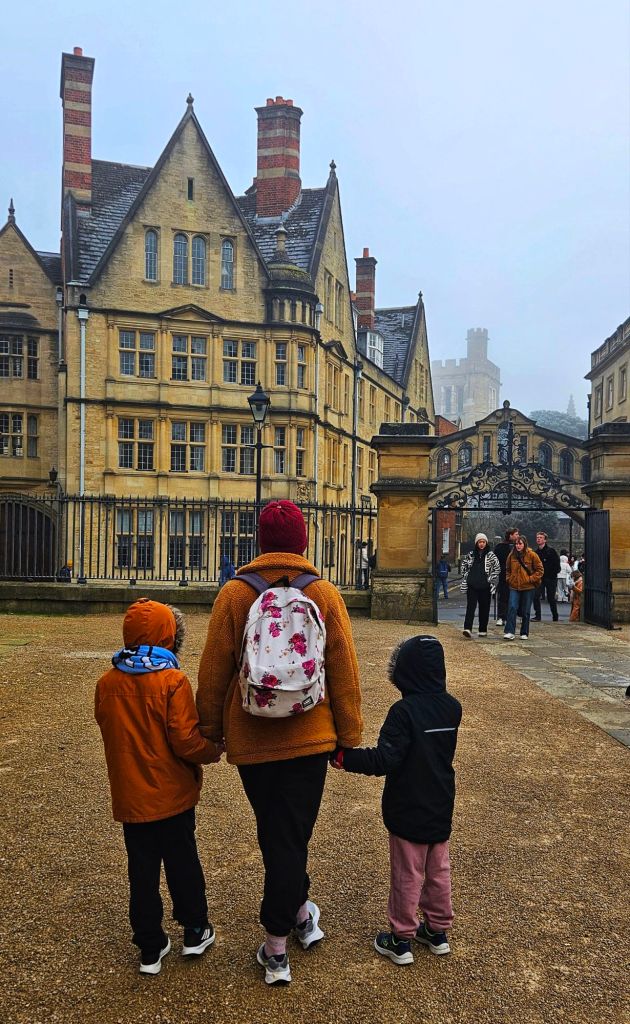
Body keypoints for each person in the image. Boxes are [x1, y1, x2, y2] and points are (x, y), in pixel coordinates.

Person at [197, 499, 363, 986]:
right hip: (311, 735)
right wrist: (349, 736)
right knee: (289, 834)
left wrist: (211, 731)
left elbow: (213, 670)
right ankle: (278, 944)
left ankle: (298, 915)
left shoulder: (234, 593)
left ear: (261, 541)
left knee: (278, 833)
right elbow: (345, 671)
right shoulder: (323, 593)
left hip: (252, 735)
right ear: (303, 542)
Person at [94, 599, 223, 975]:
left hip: (131, 795)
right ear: (169, 636)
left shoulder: (107, 683)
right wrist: (213, 750)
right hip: (173, 794)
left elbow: (107, 724)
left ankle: (150, 945)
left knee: (142, 870)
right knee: (183, 862)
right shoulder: (172, 680)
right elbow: (185, 741)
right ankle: (195, 929)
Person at [330, 636, 461, 965]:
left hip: (407, 805)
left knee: (407, 873)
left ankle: (401, 938)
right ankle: (437, 930)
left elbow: (384, 759)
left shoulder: (403, 712)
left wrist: (345, 758)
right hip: (441, 802)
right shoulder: (452, 708)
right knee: (438, 870)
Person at [459, 533, 500, 638]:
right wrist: (467, 576)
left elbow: (497, 569)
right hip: (472, 585)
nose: (482, 544)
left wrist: (490, 579)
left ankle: (482, 629)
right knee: (470, 607)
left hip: (485, 586)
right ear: (476, 543)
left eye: (483, 542)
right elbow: (463, 566)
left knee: (484, 608)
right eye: (480, 542)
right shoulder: (471, 554)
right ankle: (467, 628)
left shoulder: (491, 555)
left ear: (486, 543)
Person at [504, 536, 544, 640]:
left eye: (520, 544)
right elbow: (507, 569)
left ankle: (524, 632)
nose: (518, 546)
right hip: (514, 585)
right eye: (516, 544)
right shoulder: (511, 555)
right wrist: (509, 579)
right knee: (512, 607)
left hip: (528, 586)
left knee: (526, 610)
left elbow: (540, 570)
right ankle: (510, 631)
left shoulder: (532, 555)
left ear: (524, 544)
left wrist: (530, 579)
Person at [492, 528, 519, 625]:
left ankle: (510, 616)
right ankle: (501, 617)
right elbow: (495, 561)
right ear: (510, 535)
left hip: (515, 576)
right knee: (503, 596)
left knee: (513, 598)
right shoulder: (500, 547)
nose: (518, 536)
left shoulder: (518, 546)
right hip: (503, 575)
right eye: (516, 534)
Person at [532, 532, 561, 622]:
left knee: (551, 598)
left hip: (550, 578)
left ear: (545, 540)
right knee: (536, 596)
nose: (538, 539)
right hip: (540, 578)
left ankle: (555, 616)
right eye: (537, 537)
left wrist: (552, 574)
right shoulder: (535, 553)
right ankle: (537, 616)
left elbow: (557, 565)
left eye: (541, 537)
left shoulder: (551, 551)